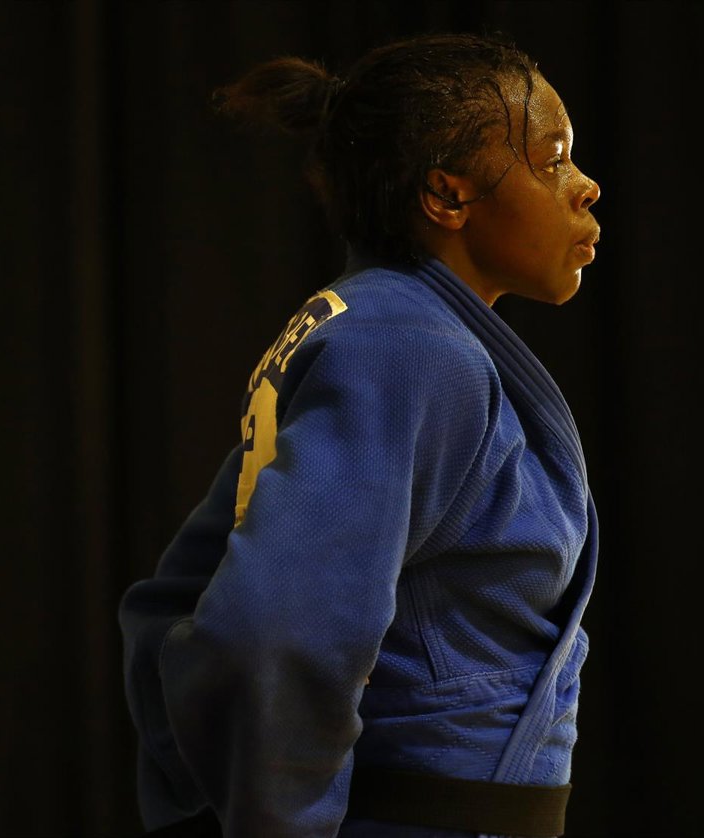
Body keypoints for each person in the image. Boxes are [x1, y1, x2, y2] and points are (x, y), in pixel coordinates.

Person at [118, 33, 601, 838]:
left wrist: (192, 792)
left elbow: (177, 594)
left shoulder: (375, 323)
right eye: (552, 159)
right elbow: (267, 631)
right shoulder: (406, 346)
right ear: (446, 195)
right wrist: (272, 820)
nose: (585, 186)